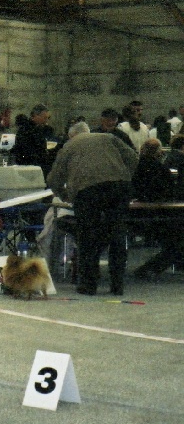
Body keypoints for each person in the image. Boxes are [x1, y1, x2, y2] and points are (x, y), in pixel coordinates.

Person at [46, 121, 138, 296]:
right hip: (119, 188)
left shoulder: (68, 146)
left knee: (88, 238)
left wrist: (64, 195)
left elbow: (53, 179)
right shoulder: (109, 137)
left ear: (72, 135)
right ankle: (117, 285)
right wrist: (124, 176)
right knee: (117, 235)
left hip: (87, 192)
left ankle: (89, 285)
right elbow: (133, 157)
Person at [132, 138, 183, 280]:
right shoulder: (161, 169)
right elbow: (169, 191)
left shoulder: (135, 167)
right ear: (158, 152)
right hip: (159, 215)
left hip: (138, 214)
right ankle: (150, 268)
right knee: (178, 240)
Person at [12, 104, 51, 176]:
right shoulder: (26, 130)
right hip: (30, 170)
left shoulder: (37, 129)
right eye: (44, 118)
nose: (46, 121)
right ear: (36, 116)